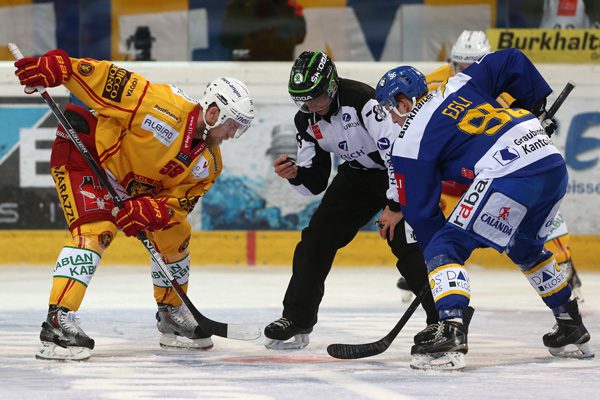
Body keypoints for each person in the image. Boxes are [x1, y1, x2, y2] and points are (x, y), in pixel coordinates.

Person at [14, 49, 254, 360]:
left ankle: (171, 314)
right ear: (213, 113)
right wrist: (62, 67)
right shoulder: (159, 103)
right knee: (96, 231)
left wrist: (154, 210)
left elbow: (179, 204)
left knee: (175, 232)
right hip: (87, 156)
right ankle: (57, 320)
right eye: (232, 125)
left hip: (131, 185)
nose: (233, 134)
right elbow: (104, 78)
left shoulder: (210, 162)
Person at [375, 48, 593, 370]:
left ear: (403, 102)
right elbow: (511, 59)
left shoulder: (408, 141)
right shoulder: (457, 85)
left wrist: (439, 264)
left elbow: (422, 215)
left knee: (444, 245)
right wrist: (533, 107)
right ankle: (570, 324)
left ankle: (451, 330)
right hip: (549, 162)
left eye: (389, 110)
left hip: (509, 173)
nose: (391, 119)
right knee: (526, 247)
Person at [263, 50, 440, 350]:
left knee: (405, 242)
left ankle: (441, 320)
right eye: (303, 100)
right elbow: (315, 182)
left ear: (332, 85)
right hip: (357, 175)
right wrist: (295, 174)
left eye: (316, 97)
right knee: (316, 239)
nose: (311, 106)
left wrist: (396, 206)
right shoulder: (306, 119)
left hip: (398, 170)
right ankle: (297, 317)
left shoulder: (362, 100)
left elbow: (395, 153)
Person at [397, 30, 584, 304]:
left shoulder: (495, 84)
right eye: (459, 64)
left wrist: (535, 116)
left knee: (532, 203)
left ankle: (563, 260)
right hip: (456, 174)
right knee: (422, 209)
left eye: (471, 63)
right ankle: (431, 266)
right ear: (451, 62)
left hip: (494, 169)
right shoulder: (434, 83)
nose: (464, 69)